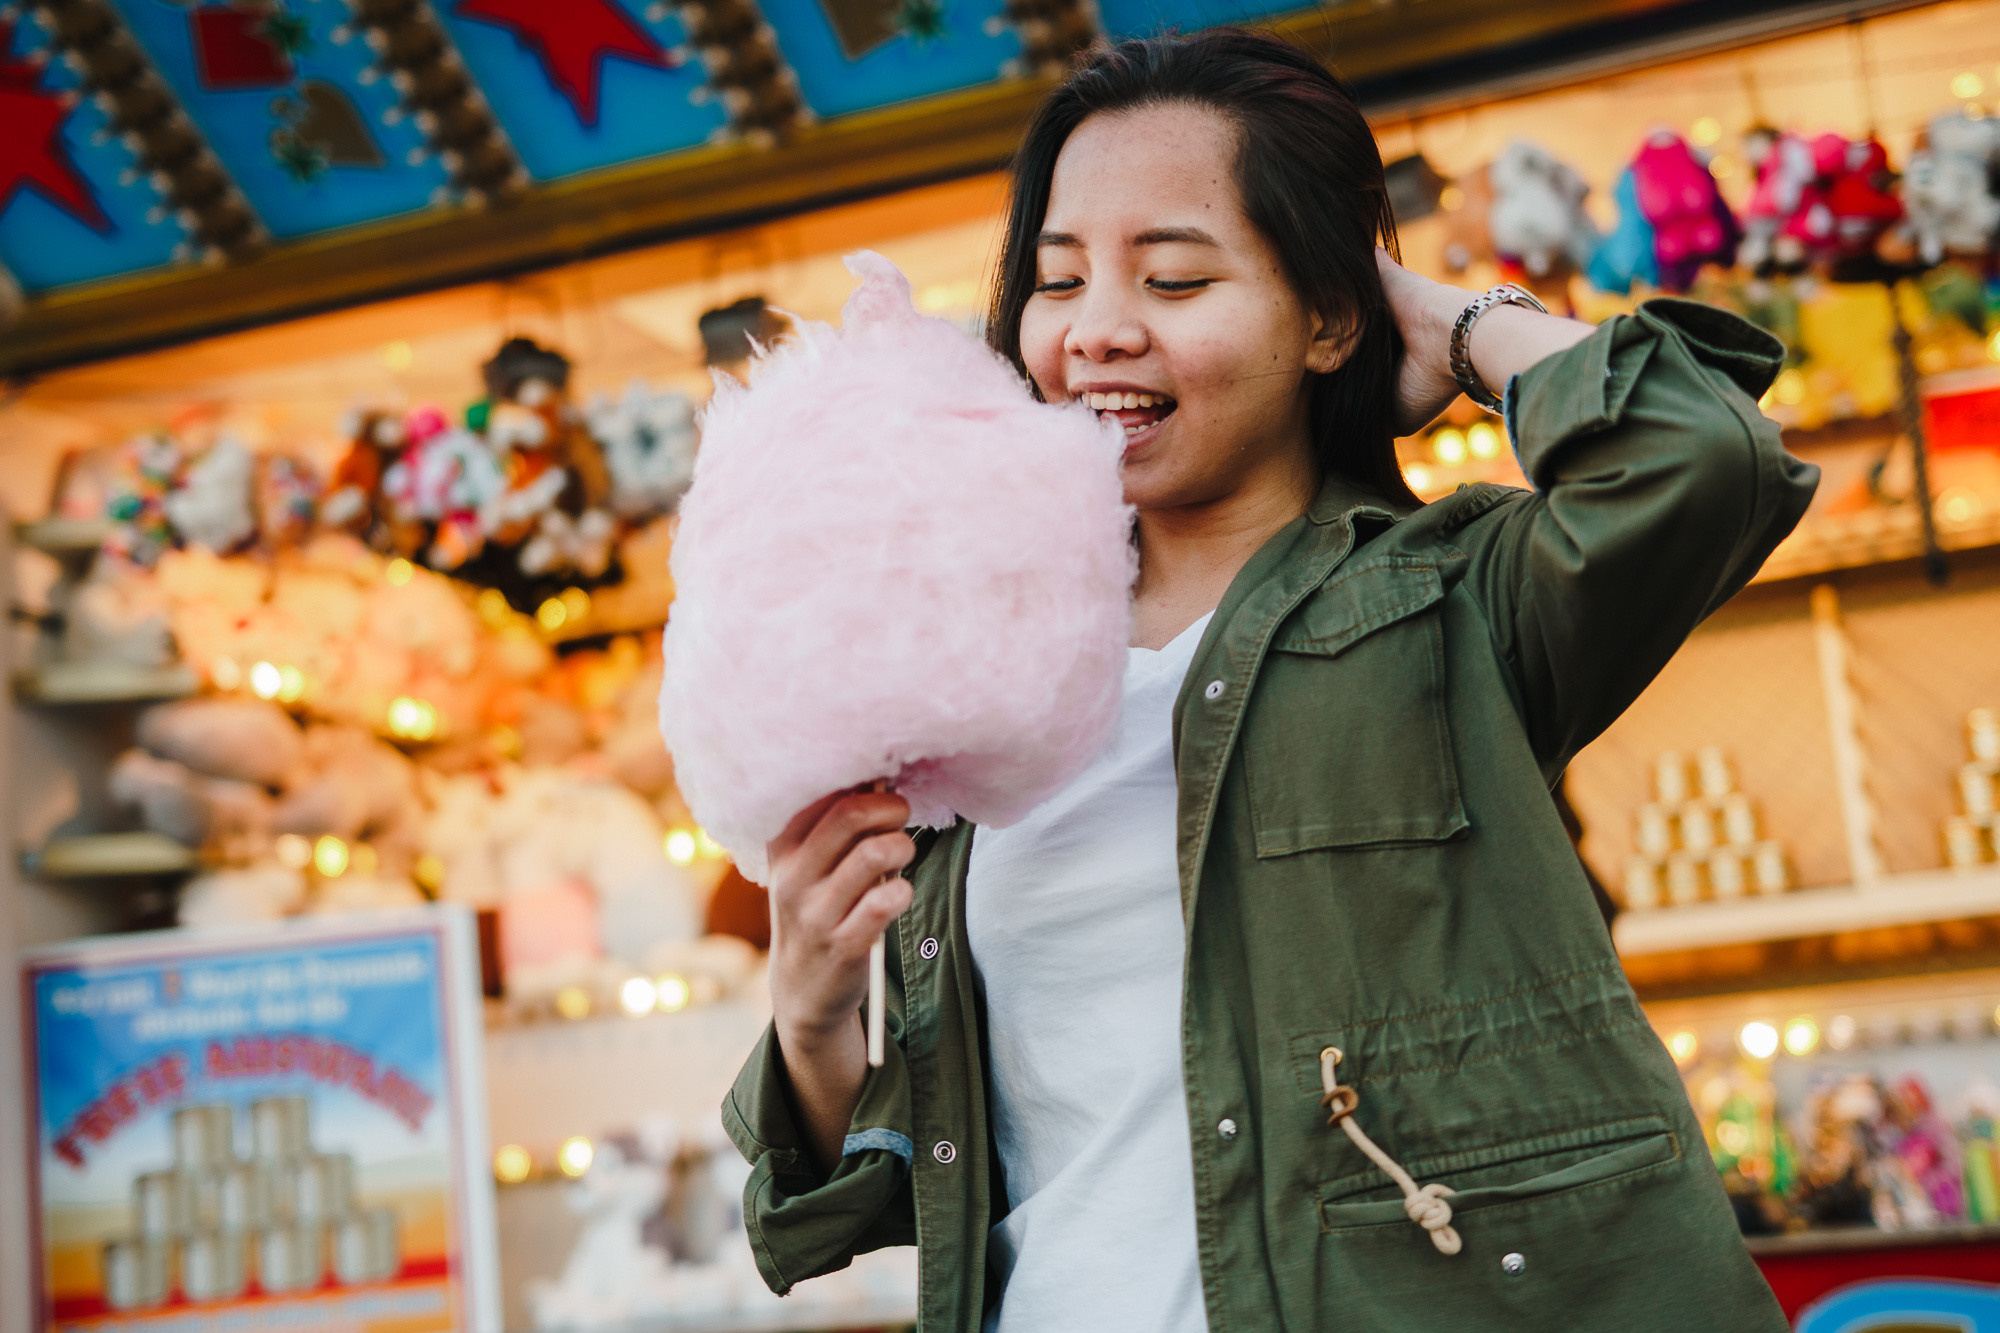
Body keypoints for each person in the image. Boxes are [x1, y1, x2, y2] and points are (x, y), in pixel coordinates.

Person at [723, 28, 1815, 1333]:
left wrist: (1452, 323)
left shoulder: (1456, 602)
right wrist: (811, 1012)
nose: (1099, 332)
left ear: (1329, 314)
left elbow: (1704, 459)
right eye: (1058, 281)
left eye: (1176, 280)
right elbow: (878, 1185)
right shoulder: (968, 689)